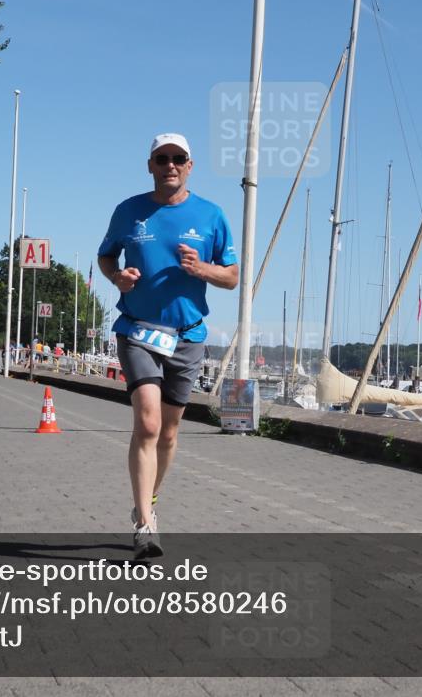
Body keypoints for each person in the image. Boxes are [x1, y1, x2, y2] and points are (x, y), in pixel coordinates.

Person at [98, 133, 238, 559]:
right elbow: (106, 257)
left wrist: (203, 269)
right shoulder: (129, 211)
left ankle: (149, 499)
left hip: (188, 336)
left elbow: (232, 277)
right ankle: (144, 525)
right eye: (162, 159)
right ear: (150, 165)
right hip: (138, 330)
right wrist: (116, 277)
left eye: (178, 159)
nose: (170, 165)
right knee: (149, 424)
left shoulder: (211, 215)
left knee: (171, 433)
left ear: (190, 166)